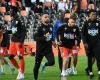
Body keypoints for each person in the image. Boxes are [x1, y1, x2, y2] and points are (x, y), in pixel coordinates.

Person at [33, 12, 55, 80]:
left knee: (52, 62)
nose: (47, 18)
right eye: (45, 17)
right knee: (36, 66)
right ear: (41, 19)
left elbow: (50, 36)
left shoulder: (51, 26)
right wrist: (44, 37)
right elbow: (35, 38)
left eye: (48, 17)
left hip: (48, 49)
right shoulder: (39, 27)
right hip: (40, 50)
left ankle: (44, 64)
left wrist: (53, 41)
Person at [8, 9, 27, 80]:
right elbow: (13, 31)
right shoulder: (12, 20)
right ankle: (19, 70)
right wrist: (5, 31)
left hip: (19, 41)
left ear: (14, 12)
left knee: (20, 56)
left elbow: (24, 31)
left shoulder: (20, 19)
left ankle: (22, 73)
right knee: (10, 57)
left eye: (11, 11)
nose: (10, 12)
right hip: (13, 41)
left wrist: (21, 42)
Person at [82, 10, 100, 79]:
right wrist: (84, 42)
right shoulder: (86, 23)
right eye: (92, 14)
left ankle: (99, 72)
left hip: (97, 44)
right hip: (89, 44)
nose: (94, 15)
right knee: (89, 59)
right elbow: (82, 34)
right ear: (89, 15)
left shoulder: (98, 23)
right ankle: (90, 72)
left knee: (99, 58)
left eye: (95, 14)